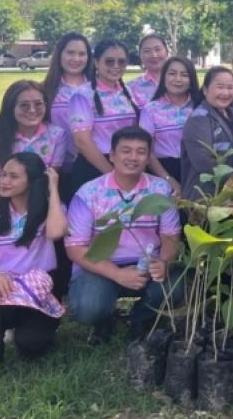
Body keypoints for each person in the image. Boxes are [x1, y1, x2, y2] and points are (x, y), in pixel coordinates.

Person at [66, 127, 182, 343]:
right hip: (101, 265)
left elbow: (170, 236)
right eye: (126, 151)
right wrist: (117, 274)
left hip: (147, 263)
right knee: (89, 307)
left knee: (177, 288)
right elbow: (75, 248)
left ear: (148, 158)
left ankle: (141, 319)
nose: (133, 157)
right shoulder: (88, 193)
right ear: (112, 155)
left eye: (141, 152)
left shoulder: (161, 190)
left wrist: (164, 262)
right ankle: (104, 320)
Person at [0, 153, 67, 370]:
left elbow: (55, 233)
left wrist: (52, 189)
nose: (4, 181)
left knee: (32, 346)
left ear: (32, 181)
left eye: (13, 177)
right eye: (4, 174)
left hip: (39, 289)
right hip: (5, 287)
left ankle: (25, 330)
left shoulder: (49, 210)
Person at [0, 80, 67, 227]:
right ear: (10, 107)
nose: (32, 110)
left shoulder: (58, 135)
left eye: (38, 104)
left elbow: (48, 180)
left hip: (39, 198)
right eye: (24, 105)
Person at [67, 39, 139, 201]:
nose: (116, 66)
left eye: (121, 61)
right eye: (109, 61)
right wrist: (113, 174)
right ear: (96, 62)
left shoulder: (128, 92)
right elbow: (82, 142)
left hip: (126, 164)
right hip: (94, 167)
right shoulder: (82, 95)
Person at [180, 66, 233, 199]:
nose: (225, 93)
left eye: (230, 87)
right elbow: (204, 162)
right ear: (205, 90)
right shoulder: (198, 119)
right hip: (211, 197)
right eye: (220, 87)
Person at [140, 56, 198, 196]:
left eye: (184, 75)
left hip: (197, 171)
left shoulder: (200, 107)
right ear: (164, 77)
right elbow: (146, 149)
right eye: (172, 73)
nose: (178, 79)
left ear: (191, 79)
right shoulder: (151, 109)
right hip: (163, 171)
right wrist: (168, 179)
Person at [41, 31, 91, 180]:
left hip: (94, 164)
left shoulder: (98, 87)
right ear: (59, 55)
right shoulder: (45, 90)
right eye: (70, 53)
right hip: (57, 167)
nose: (76, 59)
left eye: (82, 54)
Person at [127, 34, 170, 108]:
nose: (154, 55)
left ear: (167, 52)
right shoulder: (130, 88)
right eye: (147, 51)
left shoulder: (181, 82)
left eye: (158, 49)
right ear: (140, 55)